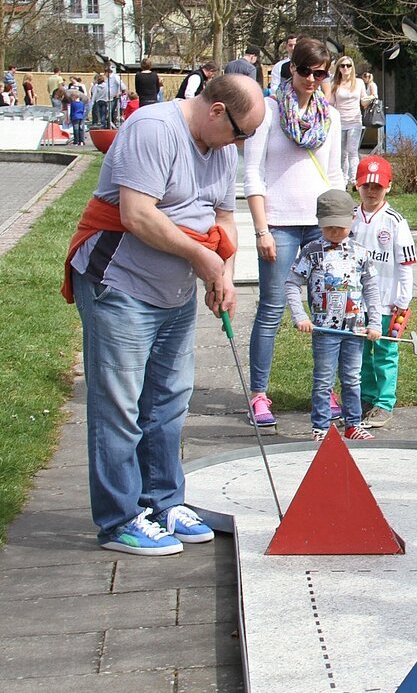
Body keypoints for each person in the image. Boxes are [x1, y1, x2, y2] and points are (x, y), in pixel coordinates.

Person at [62, 74, 266, 555]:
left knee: (169, 401)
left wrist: (223, 274)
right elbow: (137, 214)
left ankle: (163, 502)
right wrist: (202, 260)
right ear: (216, 110)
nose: (241, 143)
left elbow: (221, 218)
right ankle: (119, 519)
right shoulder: (153, 129)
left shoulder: (222, 149)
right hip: (121, 284)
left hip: (172, 294)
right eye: (239, 132)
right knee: (120, 407)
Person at [243, 36, 342, 429]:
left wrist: (340, 226)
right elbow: (252, 172)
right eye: (306, 71)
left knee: (326, 310)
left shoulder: (329, 117)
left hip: (319, 223)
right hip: (279, 225)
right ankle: (259, 394)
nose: (313, 80)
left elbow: (334, 174)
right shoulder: (268, 112)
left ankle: (324, 390)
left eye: (322, 73)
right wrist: (261, 229)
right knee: (271, 309)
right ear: (292, 68)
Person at [286, 189, 381, 442]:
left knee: (352, 378)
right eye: (329, 228)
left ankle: (353, 424)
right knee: (323, 380)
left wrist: (374, 322)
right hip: (325, 331)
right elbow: (292, 284)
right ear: (319, 224)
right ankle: (320, 427)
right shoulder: (311, 252)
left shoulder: (361, 253)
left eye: (340, 227)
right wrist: (300, 316)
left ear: (352, 220)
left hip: (355, 330)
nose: (335, 233)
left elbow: (371, 289)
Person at [351, 156, 416, 430]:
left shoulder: (396, 222)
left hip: (387, 302)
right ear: (358, 186)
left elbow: (405, 266)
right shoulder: (351, 219)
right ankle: (365, 398)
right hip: (356, 301)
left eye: (378, 186)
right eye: (366, 185)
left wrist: (403, 301)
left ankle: (384, 403)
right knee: (361, 351)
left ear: (388, 187)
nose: (372, 191)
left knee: (385, 353)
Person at [331, 56, 369, 184]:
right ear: (339, 68)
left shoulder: (359, 83)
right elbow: (331, 103)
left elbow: (363, 101)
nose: (346, 68)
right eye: (342, 66)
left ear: (352, 67)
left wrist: (371, 98)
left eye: (348, 65)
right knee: (341, 152)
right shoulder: (334, 83)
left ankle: (355, 179)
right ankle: (343, 179)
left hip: (354, 121)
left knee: (352, 151)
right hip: (339, 122)